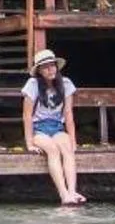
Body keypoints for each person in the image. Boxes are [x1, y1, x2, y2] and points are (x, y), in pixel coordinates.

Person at [23, 49, 83, 205]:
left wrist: (73, 139)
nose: (50, 70)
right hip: (39, 128)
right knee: (52, 150)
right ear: (40, 71)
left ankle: (72, 191)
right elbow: (27, 115)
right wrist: (29, 143)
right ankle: (63, 194)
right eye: (45, 67)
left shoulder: (66, 83)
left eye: (52, 66)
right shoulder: (33, 85)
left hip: (57, 126)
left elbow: (68, 113)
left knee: (67, 149)